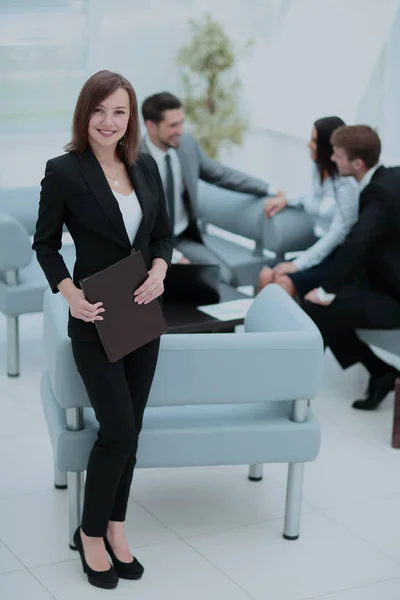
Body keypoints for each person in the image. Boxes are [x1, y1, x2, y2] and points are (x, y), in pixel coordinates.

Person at [33, 70, 173, 590]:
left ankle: (115, 527)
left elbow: (162, 236)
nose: (108, 122)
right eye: (99, 111)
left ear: (131, 116)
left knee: (130, 432)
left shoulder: (147, 166)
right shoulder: (64, 170)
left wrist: (160, 270)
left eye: (119, 111)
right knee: (116, 429)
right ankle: (90, 534)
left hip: (141, 312)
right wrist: (70, 295)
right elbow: (45, 245)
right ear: (84, 114)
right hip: (93, 317)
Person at [304, 125, 400, 410]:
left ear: (357, 163)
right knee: (322, 304)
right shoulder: (391, 176)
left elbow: (357, 241)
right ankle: (380, 372)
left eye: (337, 155)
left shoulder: (378, 193)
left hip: (394, 297)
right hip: (378, 282)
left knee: (316, 309)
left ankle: (296, 394)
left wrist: (327, 291)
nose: (332, 159)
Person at [141, 92, 275, 285]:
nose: (180, 130)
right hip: (147, 246)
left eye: (181, 122)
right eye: (173, 125)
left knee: (225, 279)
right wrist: (176, 258)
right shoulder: (133, 158)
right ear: (151, 126)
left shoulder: (186, 145)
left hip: (182, 238)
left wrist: (270, 189)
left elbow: (221, 175)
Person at [259, 117, 359, 298]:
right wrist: (286, 201)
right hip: (317, 249)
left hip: (336, 256)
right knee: (266, 275)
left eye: (314, 141)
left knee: (283, 282)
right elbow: (314, 200)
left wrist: (297, 265)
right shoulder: (318, 170)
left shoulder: (348, 184)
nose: (308, 145)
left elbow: (336, 235)